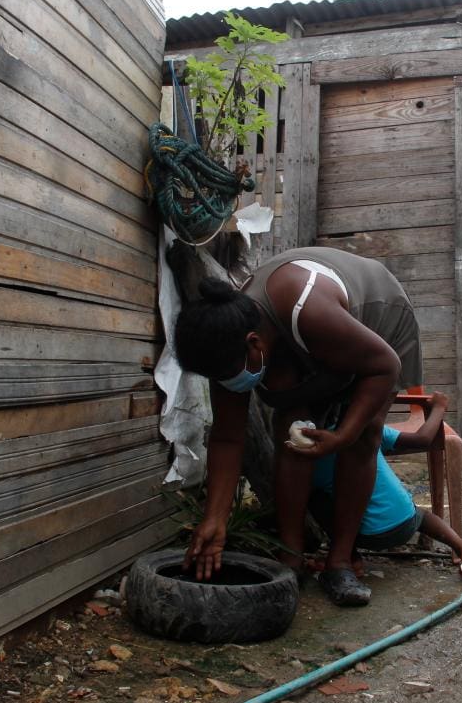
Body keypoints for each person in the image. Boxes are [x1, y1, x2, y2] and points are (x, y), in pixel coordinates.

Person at [172, 247, 423, 606]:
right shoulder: (224, 340)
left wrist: (342, 435)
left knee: (362, 439)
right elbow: (228, 437)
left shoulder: (309, 311)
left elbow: (385, 366)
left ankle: (339, 562)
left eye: (226, 376)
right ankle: (291, 556)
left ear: (254, 344)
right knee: (294, 433)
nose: (226, 385)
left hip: (378, 325)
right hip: (306, 337)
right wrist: (215, 519)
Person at [308, 391, 462, 583]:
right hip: (406, 522)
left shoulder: (308, 454)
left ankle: (350, 558)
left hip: (362, 534)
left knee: (315, 497)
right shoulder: (367, 430)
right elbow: (423, 439)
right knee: (421, 515)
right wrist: (438, 408)